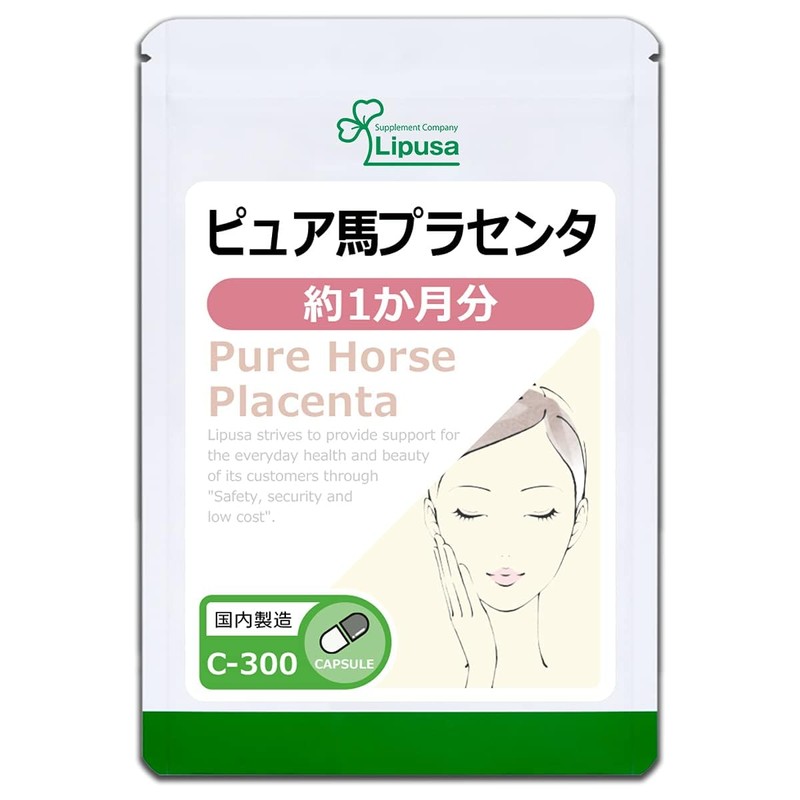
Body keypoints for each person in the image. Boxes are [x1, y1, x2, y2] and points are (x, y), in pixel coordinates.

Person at [424, 387, 589, 688]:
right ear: (433, 517)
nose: (505, 545)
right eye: (469, 512)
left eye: (541, 512)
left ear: (577, 521)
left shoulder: (589, 684)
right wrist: (481, 668)